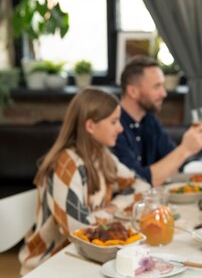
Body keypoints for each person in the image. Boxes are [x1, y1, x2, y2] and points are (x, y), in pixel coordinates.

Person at [19, 88, 149, 275]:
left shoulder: (102, 155)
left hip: (88, 258)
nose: (120, 128)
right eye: (113, 121)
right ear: (90, 126)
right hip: (52, 264)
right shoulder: (66, 164)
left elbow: (142, 186)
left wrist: (113, 206)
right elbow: (79, 229)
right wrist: (111, 213)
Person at [111, 56, 202, 186]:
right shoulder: (113, 127)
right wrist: (185, 149)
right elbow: (136, 181)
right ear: (132, 91)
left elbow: (174, 162)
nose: (164, 93)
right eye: (157, 87)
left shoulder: (149, 119)